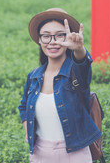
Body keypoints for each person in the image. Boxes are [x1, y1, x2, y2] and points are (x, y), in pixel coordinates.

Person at [18, 8, 101, 163]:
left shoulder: (75, 72)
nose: (53, 41)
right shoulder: (34, 76)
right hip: (39, 153)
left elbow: (83, 63)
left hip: (75, 153)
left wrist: (79, 49)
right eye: (46, 36)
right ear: (40, 40)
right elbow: (23, 107)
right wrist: (28, 131)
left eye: (60, 35)